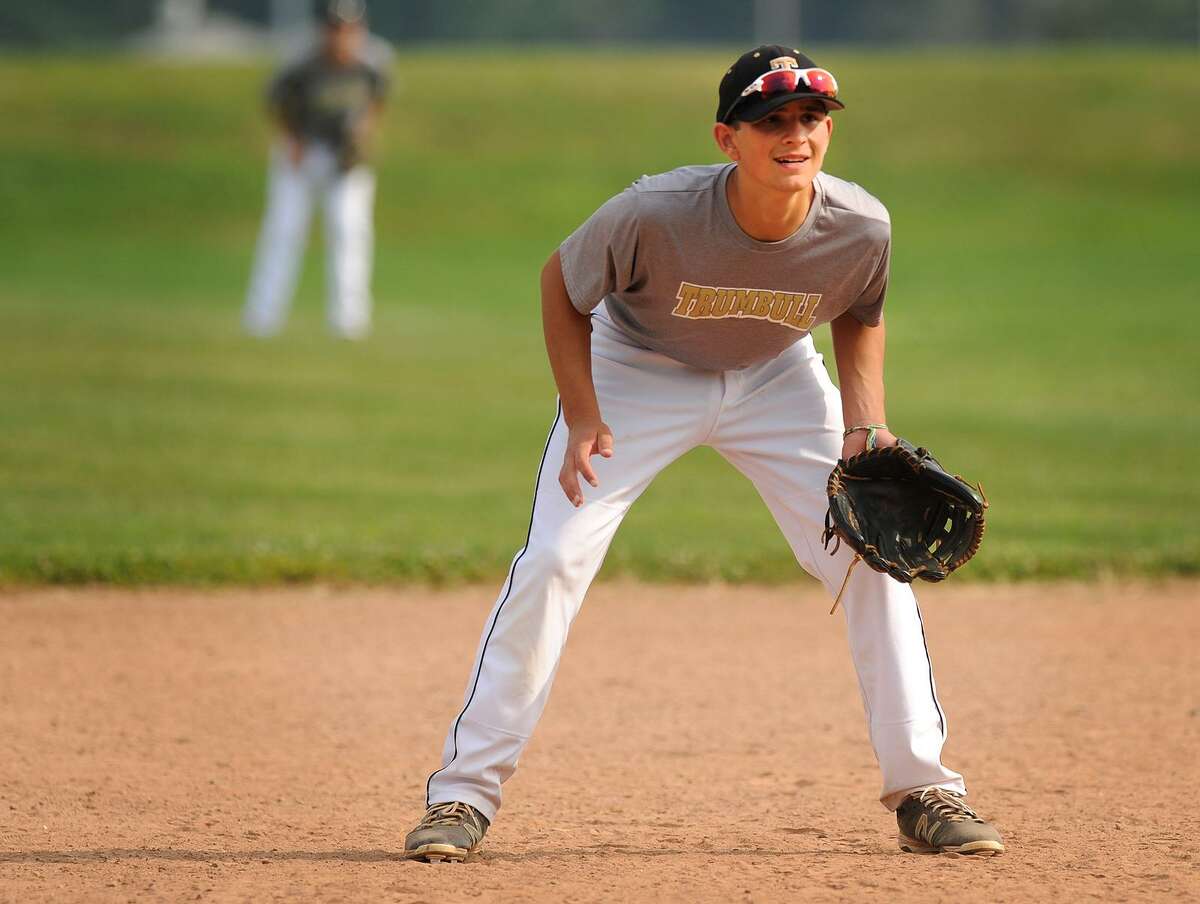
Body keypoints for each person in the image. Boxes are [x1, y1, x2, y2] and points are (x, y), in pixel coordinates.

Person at [405, 45, 1005, 862]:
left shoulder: (860, 224)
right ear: (728, 139)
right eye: (772, 121)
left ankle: (926, 790)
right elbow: (560, 283)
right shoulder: (655, 213)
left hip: (777, 377)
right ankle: (461, 799)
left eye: (810, 118)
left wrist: (866, 427)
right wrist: (582, 415)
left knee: (872, 561)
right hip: (637, 371)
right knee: (553, 559)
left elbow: (862, 311)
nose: (795, 135)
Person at [242, 0, 387, 340]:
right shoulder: (301, 61)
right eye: (336, 29)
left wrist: (366, 132)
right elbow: (275, 100)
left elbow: (378, 98)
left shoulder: (375, 59)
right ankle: (263, 316)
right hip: (302, 151)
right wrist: (290, 139)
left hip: (344, 155)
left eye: (350, 30)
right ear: (323, 30)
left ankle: (349, 320)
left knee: (350, 229)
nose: (343, 38)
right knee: (284, 229)